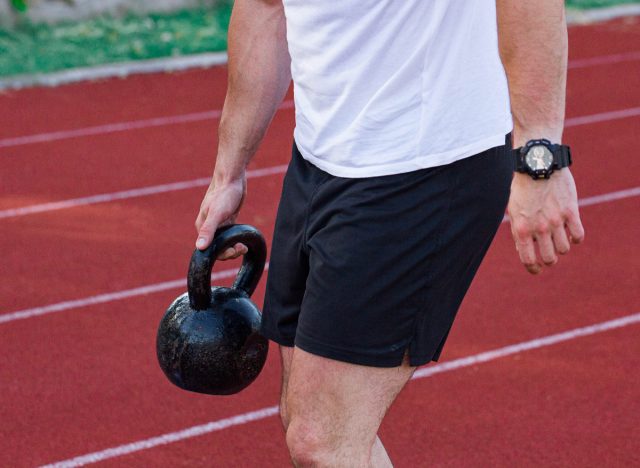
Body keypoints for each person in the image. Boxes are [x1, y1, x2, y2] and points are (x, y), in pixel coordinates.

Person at [194, 0, 585, 465]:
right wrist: (228, 173)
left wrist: (539, 153)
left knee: (322, 439)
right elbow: (264, 8)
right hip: (320, 158)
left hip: (426, 162)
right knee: (308, 423)